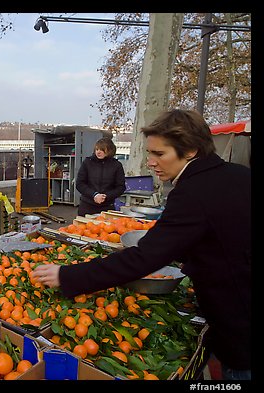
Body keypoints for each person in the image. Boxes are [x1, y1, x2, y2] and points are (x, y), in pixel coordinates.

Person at [32, 109, 251, 380]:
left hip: (240, 324)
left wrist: (67, 275)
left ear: (191, 150)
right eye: (150, 153)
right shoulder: (238, 175)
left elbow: (143, 259)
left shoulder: (192, 193)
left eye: (159, 154)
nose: (151, 162)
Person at [75, 137, 126, 217]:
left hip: (107, 207)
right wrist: (94, 195)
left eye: (102, 149)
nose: (98, 152)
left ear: (109, 150)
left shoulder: (117, 165)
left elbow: (120, 187)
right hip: (87, 206)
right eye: (97, 149)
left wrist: (106, 196)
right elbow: (80, 184)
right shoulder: (87, 163)